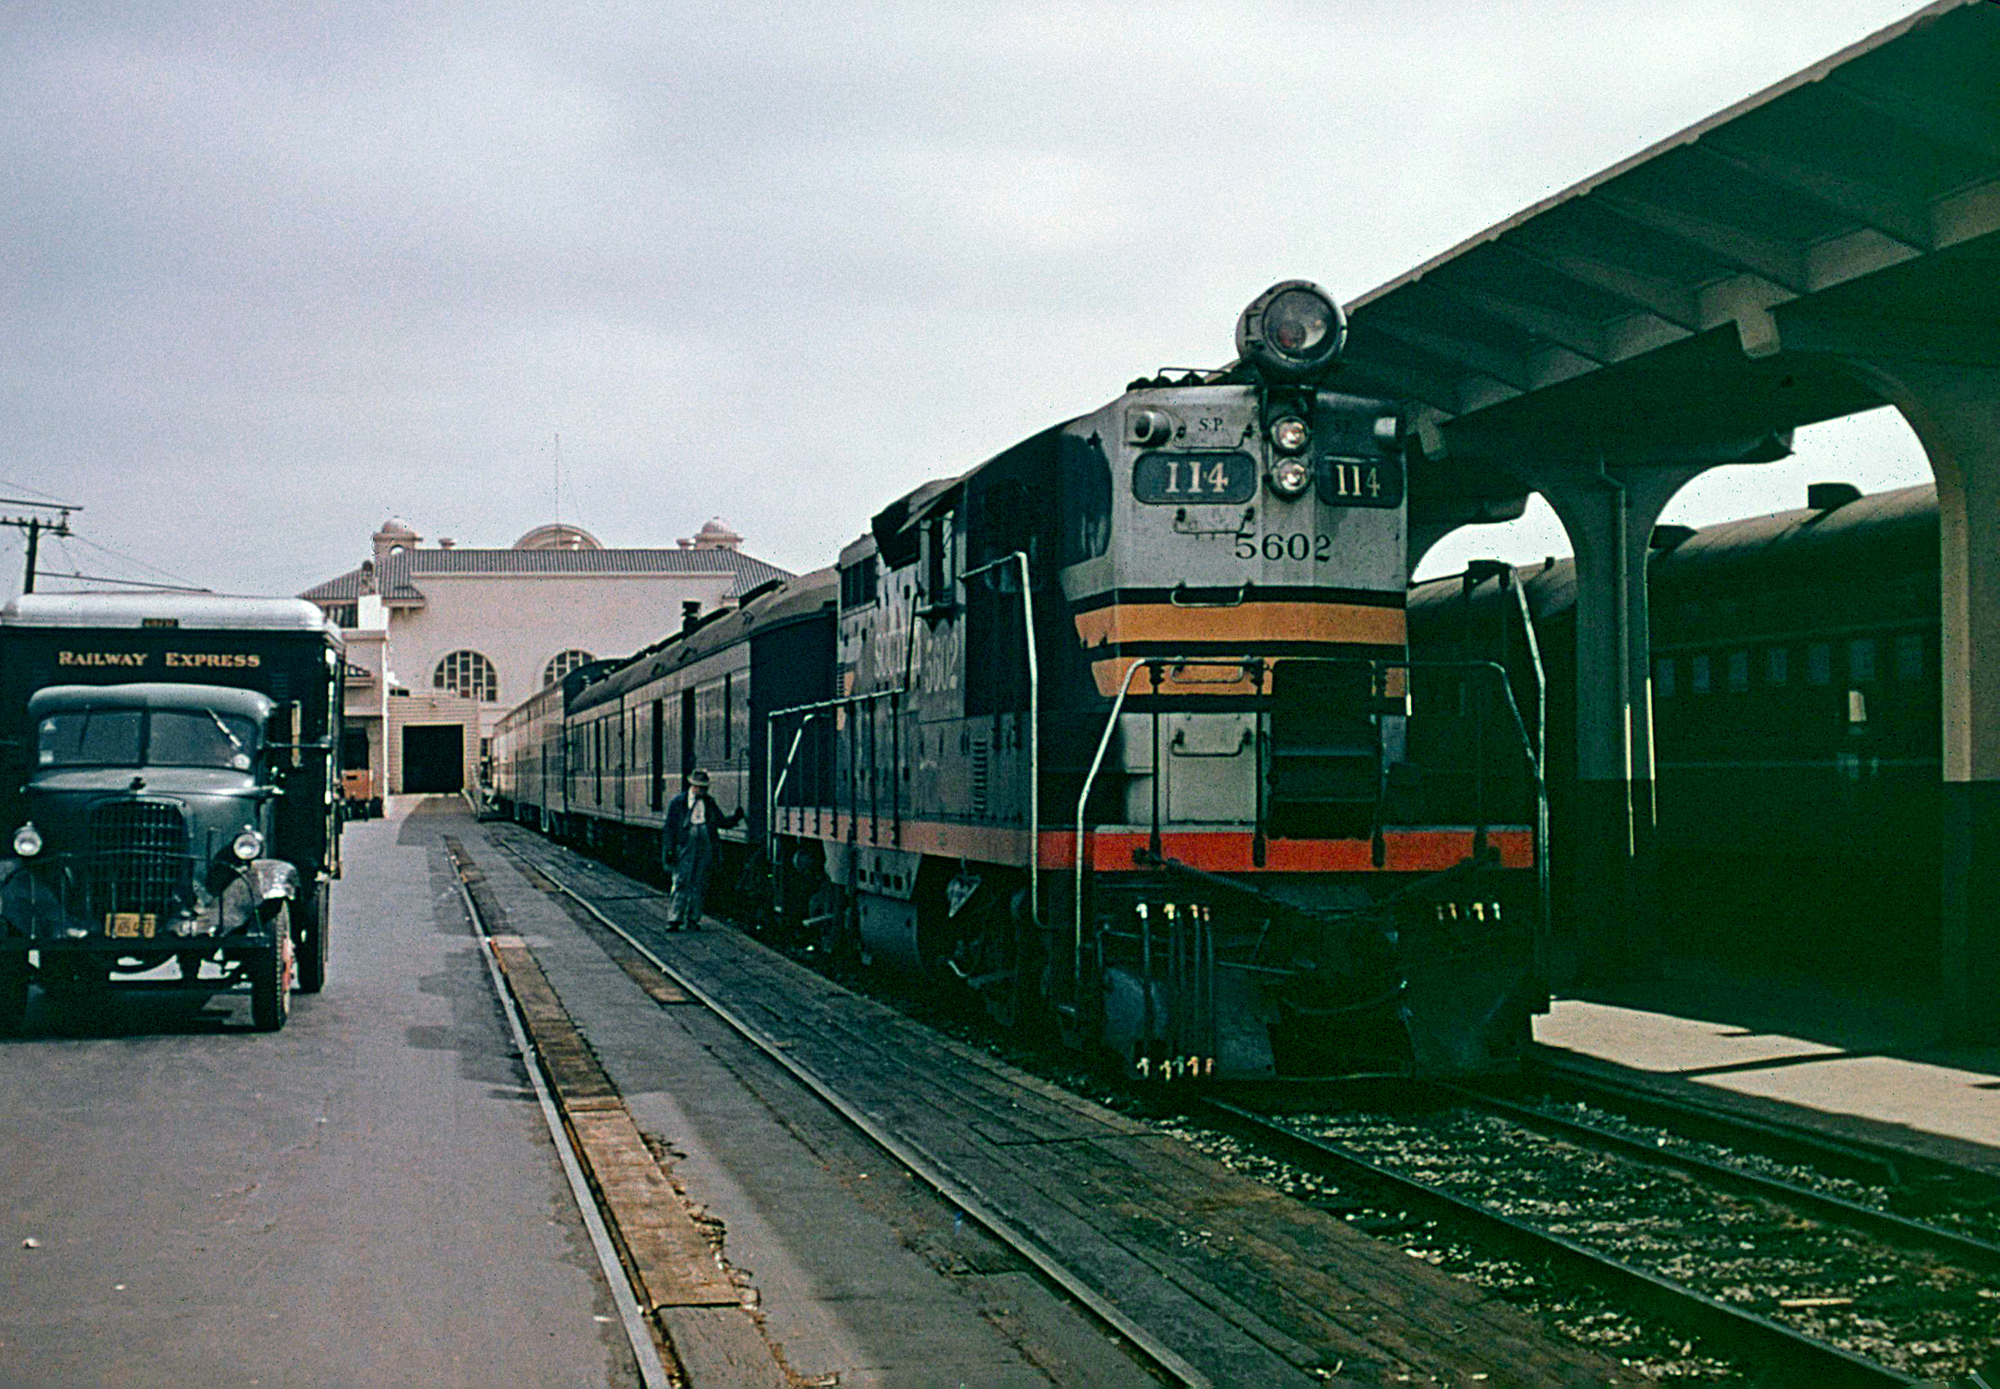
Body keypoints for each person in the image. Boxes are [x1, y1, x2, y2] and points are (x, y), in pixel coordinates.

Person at [661, 770, 741, 930]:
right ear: (692, 786)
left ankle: (693, 919)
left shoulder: (709, 802)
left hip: (704, 842)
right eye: (699, 787)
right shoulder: (679, 802)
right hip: (685, 842)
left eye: (704, 788)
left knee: (699, 881)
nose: (702, 790)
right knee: (681, 880)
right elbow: (669, 828)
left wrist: (735, 818)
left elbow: (720, 821)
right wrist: (669, 849)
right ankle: (674, 919)